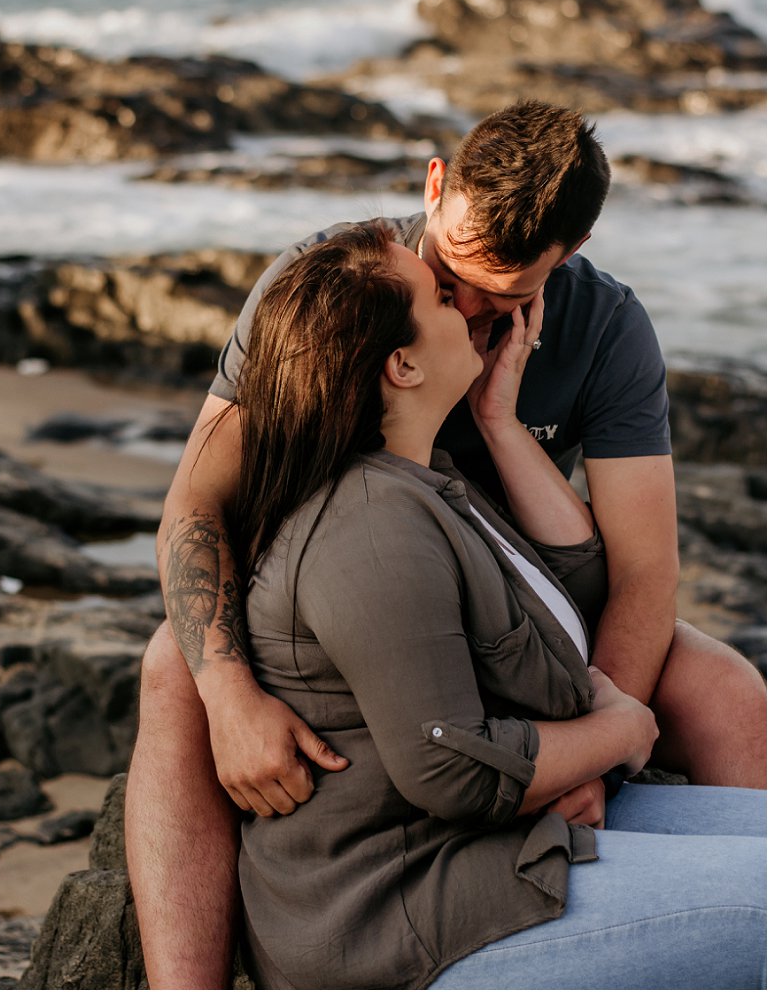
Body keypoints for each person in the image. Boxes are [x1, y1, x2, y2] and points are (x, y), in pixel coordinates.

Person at [125, 101, 766, 987]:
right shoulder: (348, 289)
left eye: (500, 295)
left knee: (726, 689)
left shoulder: (605, 328)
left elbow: (644, 573)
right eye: (450, 276)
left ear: (564, 257)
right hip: (350, 596)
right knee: (173, 663)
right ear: (435, 186)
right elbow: (195, 504)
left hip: (520, 591)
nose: (465, 310)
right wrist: (227, 690)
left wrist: (590, 744)